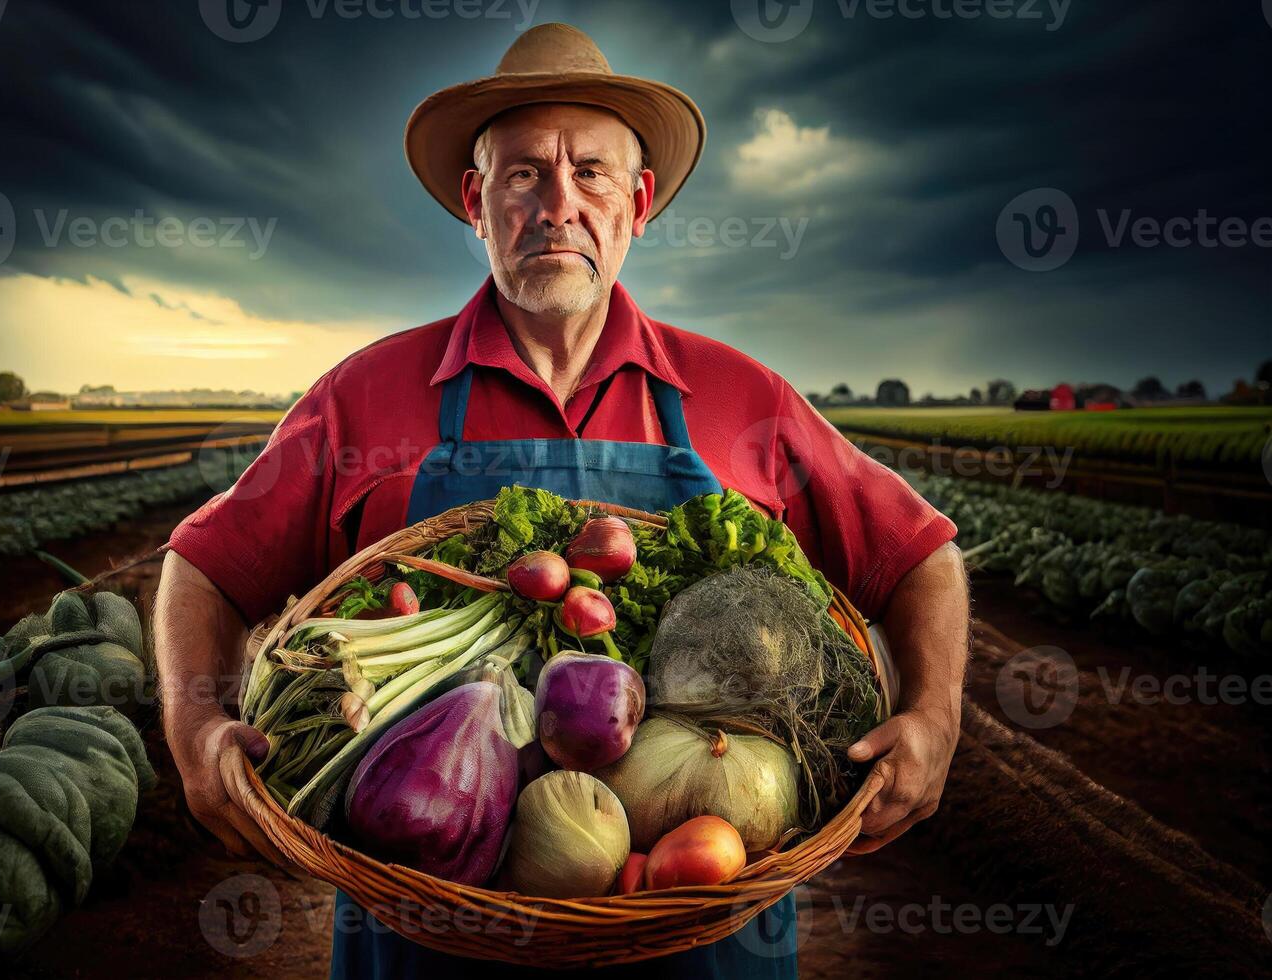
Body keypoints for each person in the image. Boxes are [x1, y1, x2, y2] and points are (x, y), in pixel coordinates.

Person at [155, 22, 969, 979]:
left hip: (702, 942)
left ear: (639, 201)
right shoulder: (362, 398)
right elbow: (203, 567)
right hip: (428, 936)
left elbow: (919, 556)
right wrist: (194, 726)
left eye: (590, 172)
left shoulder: (743, 397)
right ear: (475, 200)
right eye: (521, 175)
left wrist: (935, 716)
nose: (557, 206)